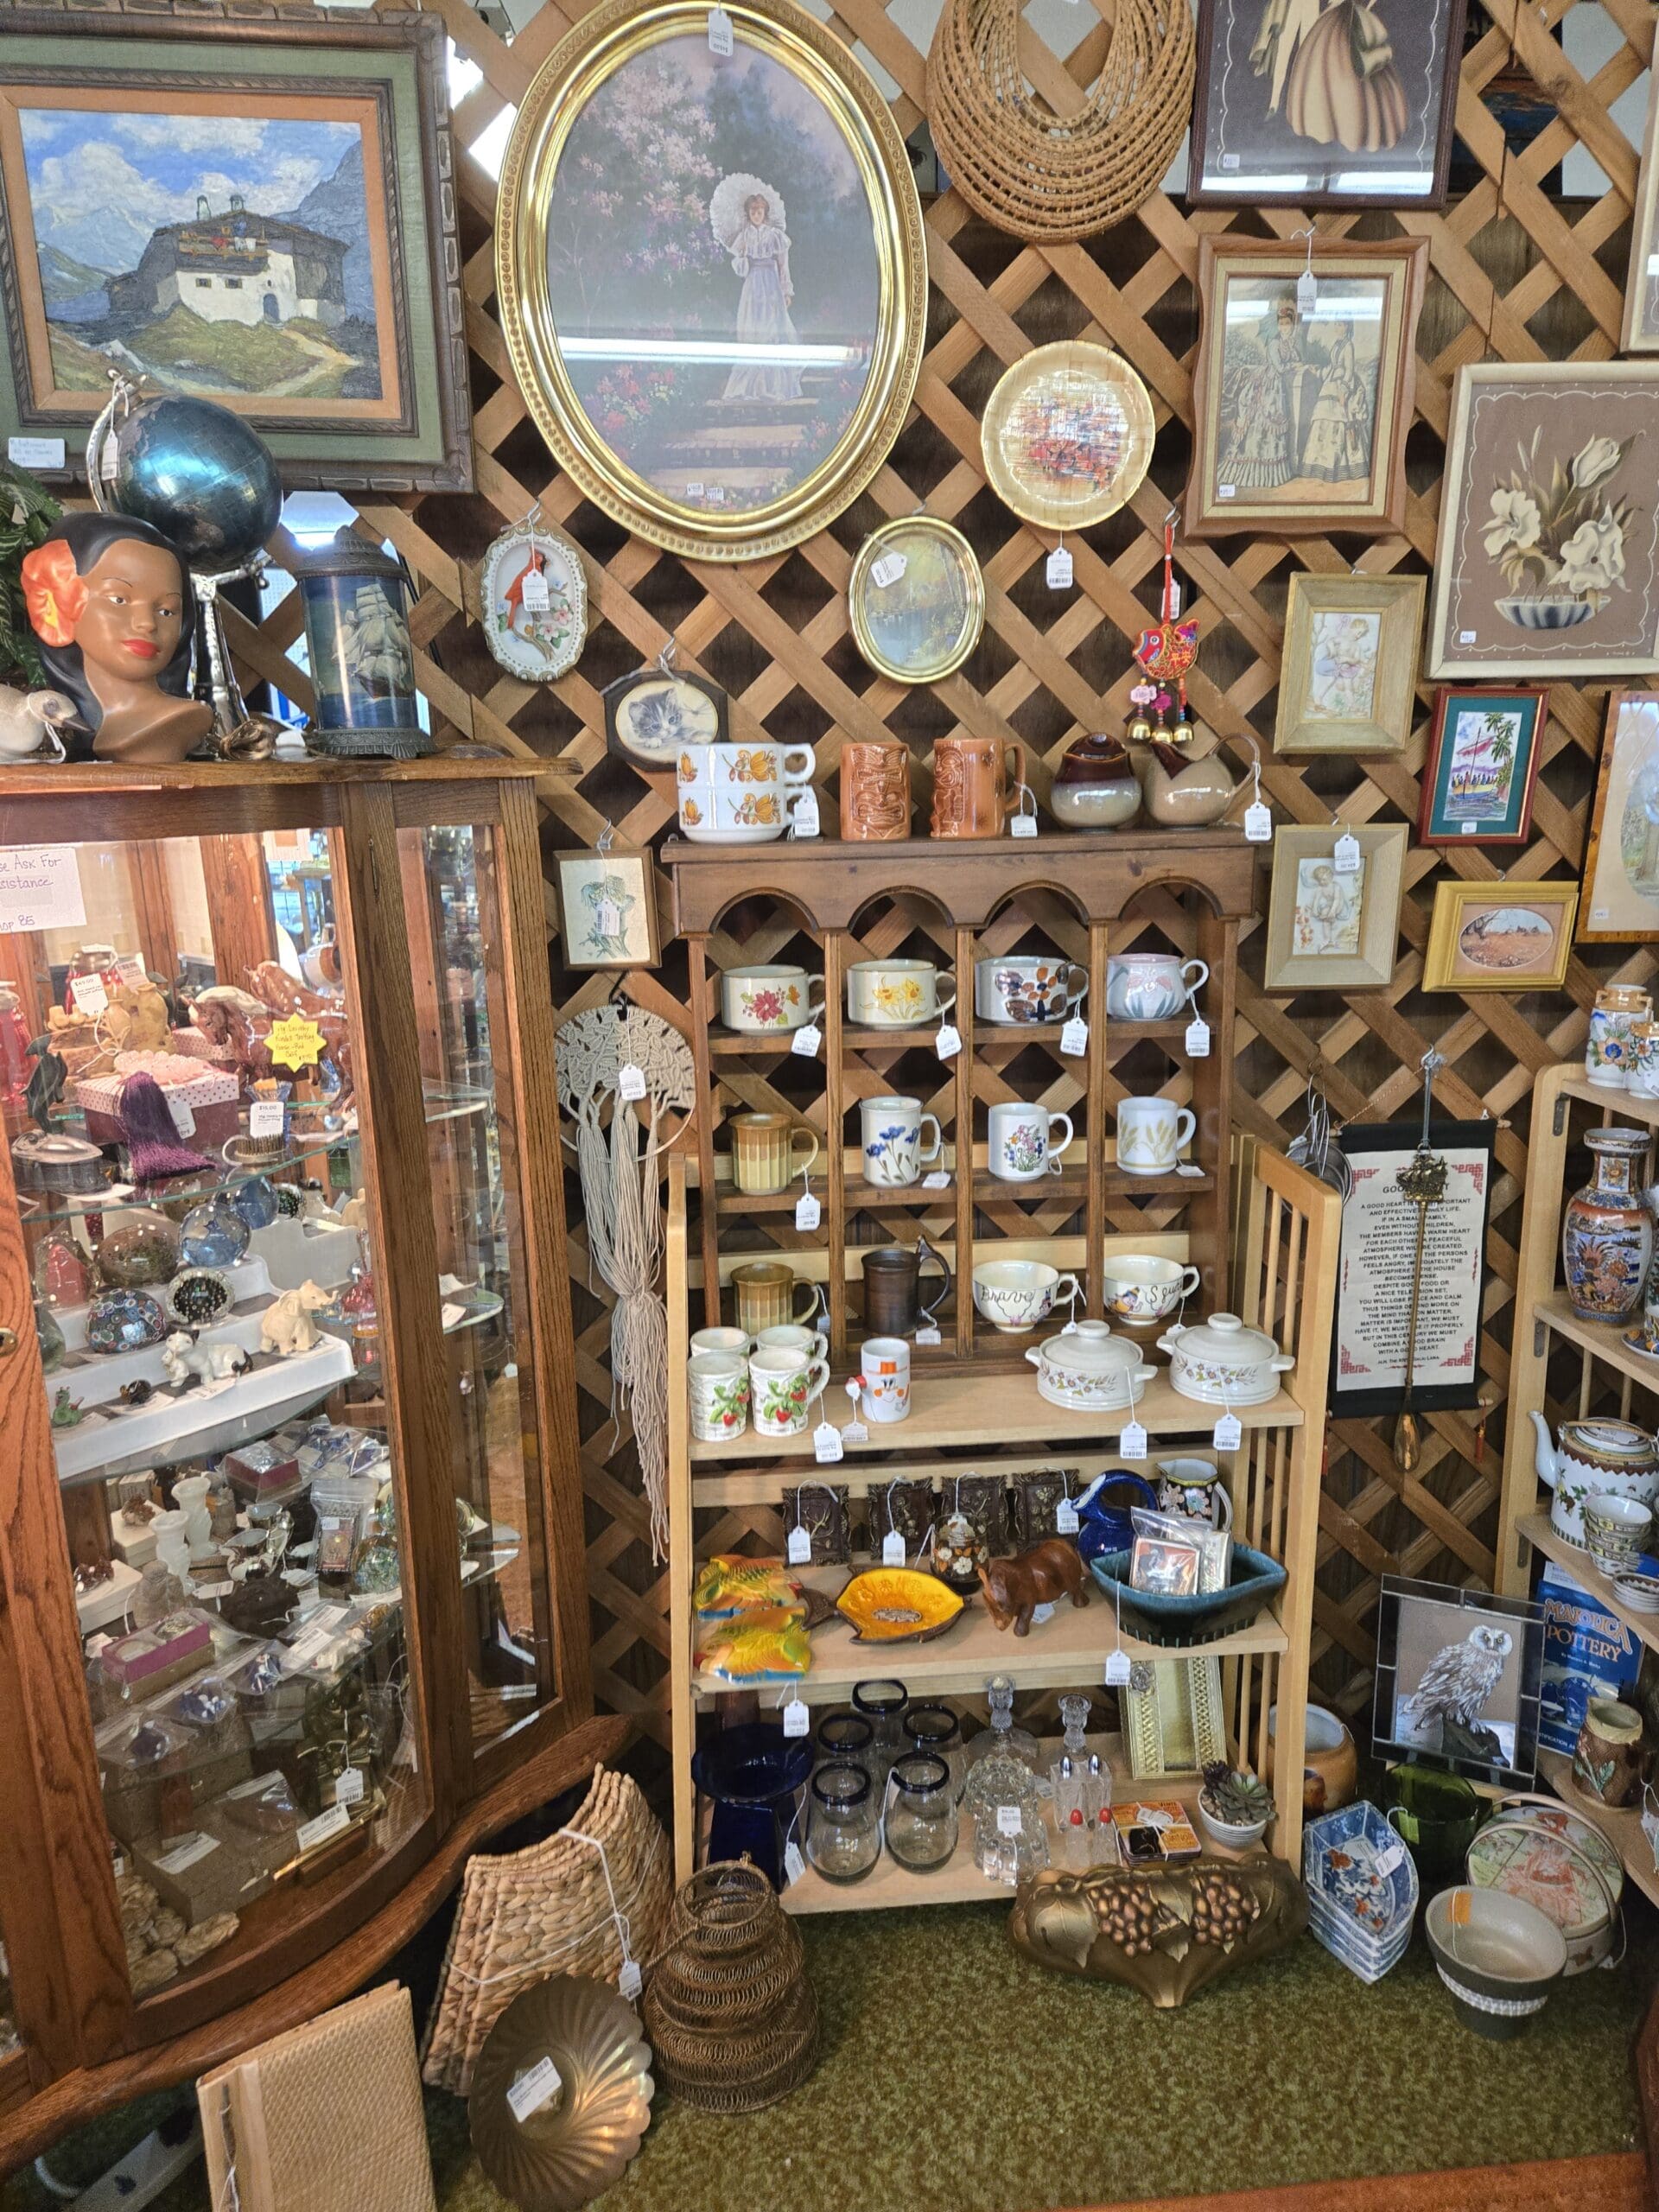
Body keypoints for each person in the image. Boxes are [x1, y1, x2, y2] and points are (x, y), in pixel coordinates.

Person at [21, 513, 212, 763]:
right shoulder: (64, 721)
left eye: (166, 611)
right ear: (59, 599)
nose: (146, 623)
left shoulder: (177, 721)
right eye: (118, 599)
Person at [718, 184, 802, 404]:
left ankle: (773, 387)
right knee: (752, 330)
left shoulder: (775, 235)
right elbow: (740, 269)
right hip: (753, 285)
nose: (757, 215)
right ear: (748, 214)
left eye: (760, 211)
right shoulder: (744, 236)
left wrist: (786, 290)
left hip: (771, 285)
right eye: (753, 212)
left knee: (772, 329)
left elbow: (783, 265)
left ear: (765, 213)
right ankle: (751, 387)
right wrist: (743, 256)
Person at [1300, 318, 1372, 485]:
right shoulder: (1337, 344)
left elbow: (1349, 370)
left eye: (1340, 325)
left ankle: (1339, 468)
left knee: (1340, 420)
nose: (1337, 328)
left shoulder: (1348, 346)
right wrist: (1318, 372)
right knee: (1322, 419)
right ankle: (1320, 465)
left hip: (1341, 386)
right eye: (1336, 325)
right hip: (1330, 384)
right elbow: (1333, 368)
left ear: (1347, 327)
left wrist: (1344, 391)